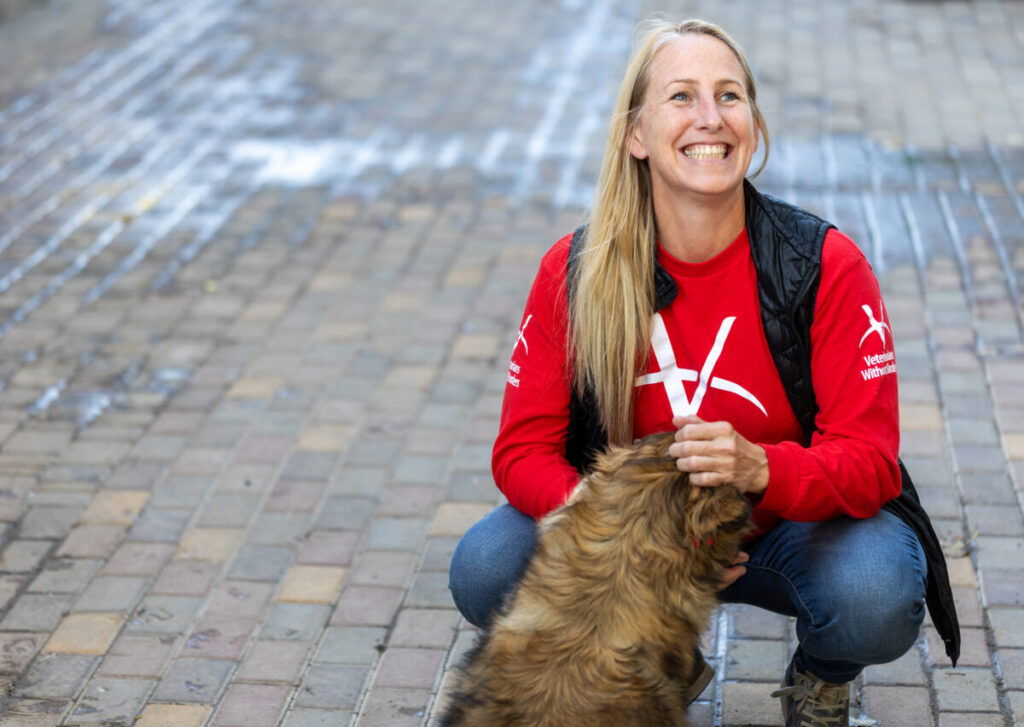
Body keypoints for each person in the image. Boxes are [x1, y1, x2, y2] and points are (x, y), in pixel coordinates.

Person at [448, 17, 958, 727]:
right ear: (636, 135)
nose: (710, 118)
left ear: (753, 122)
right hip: (633, 545)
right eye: (682, 97)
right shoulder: (576, 270)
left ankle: (823, 673)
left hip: (788, 534)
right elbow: (521, 450)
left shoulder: (824, 265)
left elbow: (871, 462)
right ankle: (656, 657)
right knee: (487, 564)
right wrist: (632, 541)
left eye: (729, 95)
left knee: (875, 586)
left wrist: (760, 468)